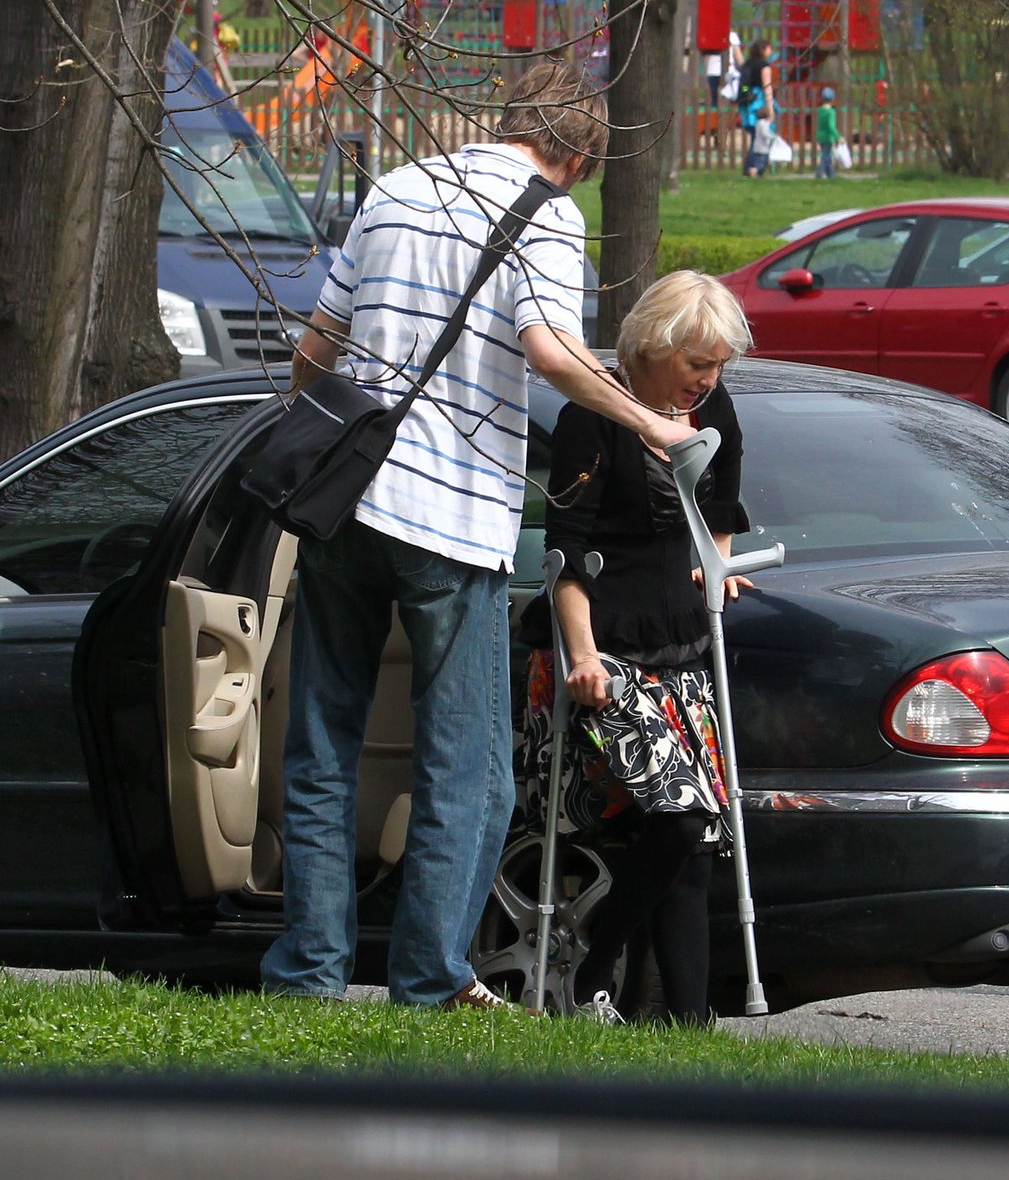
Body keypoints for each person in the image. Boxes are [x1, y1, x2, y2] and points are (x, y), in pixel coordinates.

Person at [260, 63, 696, 1012]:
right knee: (470, 772)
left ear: (506, 121)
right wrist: (649, 423)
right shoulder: (550, 210)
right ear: (578, 153)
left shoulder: (395, 188)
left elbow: (315, 349)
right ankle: (427, 981)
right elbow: (549, 348)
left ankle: (309, 974)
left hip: (345, 507)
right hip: (451, 520)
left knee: (321, 748)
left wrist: (322, 450)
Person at [517, 271, 753, 1026]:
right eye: (695, 363)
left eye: (716, 365)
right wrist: (581, 655)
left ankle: (688, 1031)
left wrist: (713, 563)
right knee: (679, 819)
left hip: (681, 645)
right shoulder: (593, 418)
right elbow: (567, 553)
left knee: (688, 848)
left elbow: (722, 508)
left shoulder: (714, 410)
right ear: (651, 348)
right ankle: (592, 964)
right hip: (605, 651)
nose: (707, 380)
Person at [738, 39, 775, 178]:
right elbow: (767, 86)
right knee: (761, 135)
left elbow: (745, 84)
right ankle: (754, 168)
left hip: (748, 102)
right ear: (763, 50)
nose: (770, 51)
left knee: (755, 135)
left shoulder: (748, 64)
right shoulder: (764, 66)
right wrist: (770, 107)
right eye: (769, 48)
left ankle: (751, 167)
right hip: (759, 101)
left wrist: (747, 93)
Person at [815, 86, 839, 179]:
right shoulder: (831, 112)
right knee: (826, 156)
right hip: (828, 137)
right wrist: (838, 136)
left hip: (820, 136)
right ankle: (819, 173)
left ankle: (831, 174)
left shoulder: (820, 110)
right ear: (832, 99)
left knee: (827, 156)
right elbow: (831, 126)